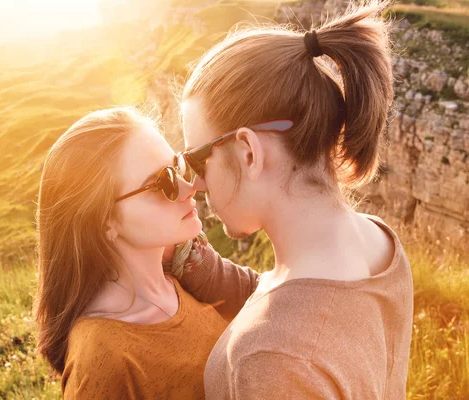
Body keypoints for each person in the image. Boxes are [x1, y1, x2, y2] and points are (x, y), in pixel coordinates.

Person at [166, 2, 414, 398]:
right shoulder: (378, 243)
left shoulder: (271, 359)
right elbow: (290, 297)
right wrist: (195, 263)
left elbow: (294, 322)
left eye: (198, 159)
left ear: (249, 152)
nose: (195, 183)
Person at [33, 106, 233, 399]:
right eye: (162, 182)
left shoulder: (186, 274)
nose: (188, 187)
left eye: (177, 167)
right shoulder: (101, 361)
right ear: (104, 220)